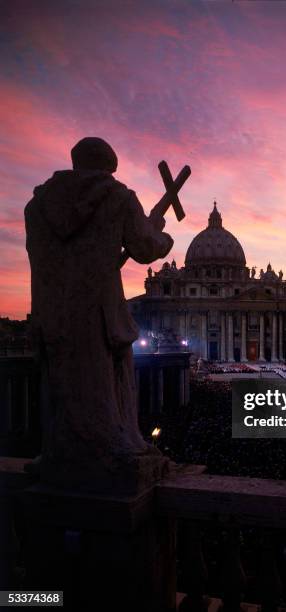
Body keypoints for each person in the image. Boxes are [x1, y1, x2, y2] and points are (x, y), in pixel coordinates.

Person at [24, 137, 174, 493]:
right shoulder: (118, 196)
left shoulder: (36, 206)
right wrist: (159, 231)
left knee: (64, 384)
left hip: (54, 312)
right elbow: (145, 247)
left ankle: (62, 453)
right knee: (108, 385)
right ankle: (114, 451)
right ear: (108, 167)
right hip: (99, 310)